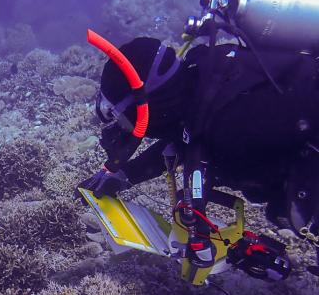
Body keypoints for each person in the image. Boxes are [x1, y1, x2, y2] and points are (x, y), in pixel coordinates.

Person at [78, 34, 319, 275]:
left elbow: (195, 147)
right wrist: (123, 175)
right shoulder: (201, 81)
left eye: (118, 116)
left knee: (297, 212)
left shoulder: (229, 123)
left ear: (144, 104)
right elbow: (185, 140)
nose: (120, 127)